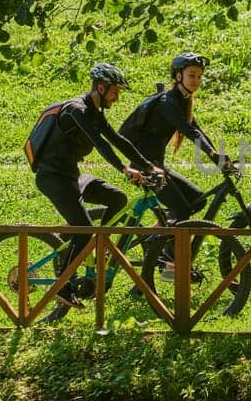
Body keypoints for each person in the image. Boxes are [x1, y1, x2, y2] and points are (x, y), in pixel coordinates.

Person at [31, 62, 161, 309]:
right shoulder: (76, 111)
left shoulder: (94, 112)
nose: (117, 96)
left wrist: (148, 166)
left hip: (72, 176)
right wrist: (123, 169)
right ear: (100, 88)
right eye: (115, 91)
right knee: (85, 232)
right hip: (53, 178)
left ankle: (99, 249)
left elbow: (117, 140)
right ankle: (62, 284)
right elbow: (100, 144)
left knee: (117, 199)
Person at [119, 52, 232, 232]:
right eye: (191, 75)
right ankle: (165, 255)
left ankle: (156, 238)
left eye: (199, 76)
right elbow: (189, 131)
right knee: (181, 210)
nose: (196, 80)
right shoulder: (167, 102)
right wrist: (213, 154)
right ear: (178, 76)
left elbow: (198, 130)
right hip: (145, 168)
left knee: (198, 200)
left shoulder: (181, 101)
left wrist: (216, 156)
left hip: (157, 166)